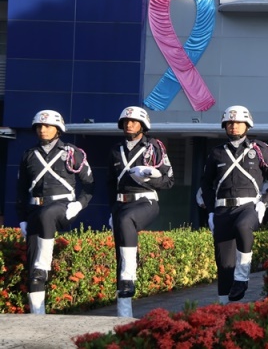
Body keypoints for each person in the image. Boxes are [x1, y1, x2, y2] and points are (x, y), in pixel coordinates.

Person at [200, 105, 268, 304]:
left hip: (249, 206)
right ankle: (224, 309)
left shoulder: (259, 150)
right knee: (224, 264)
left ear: (247, 125)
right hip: (222, 209)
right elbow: (205, 184)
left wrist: (265, 202)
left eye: (238, 123)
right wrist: (211, 211)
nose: (234, 126)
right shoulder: (216, 153)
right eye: (230, 123)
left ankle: (242, 277)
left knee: (243, 226)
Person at [16, 110, 94, 315]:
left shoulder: (72, 152)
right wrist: (22, 219)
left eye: (47, 126)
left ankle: (44, 265)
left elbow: (89, 184)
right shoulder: (29, 154)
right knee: (33, 269)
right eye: (39, 126)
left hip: (63, 207)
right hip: (35, 208)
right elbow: (21, 190)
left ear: (58, 129)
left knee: (47, 215)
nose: (42, 130)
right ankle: (37, 314)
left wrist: (80, 204)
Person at [107, 106, 175, 317]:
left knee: (127, 219)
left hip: (145, 201)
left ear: (143, 125)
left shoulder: (154, 147)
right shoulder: (115, 149)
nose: (129, 124)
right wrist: (111, 211)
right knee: (121, 253)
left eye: (134, 121)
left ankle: (130, 276)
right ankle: (124, 315)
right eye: (126, 121)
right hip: (120, 204)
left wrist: (149, 177)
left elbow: (169, 181)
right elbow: (110, 184)